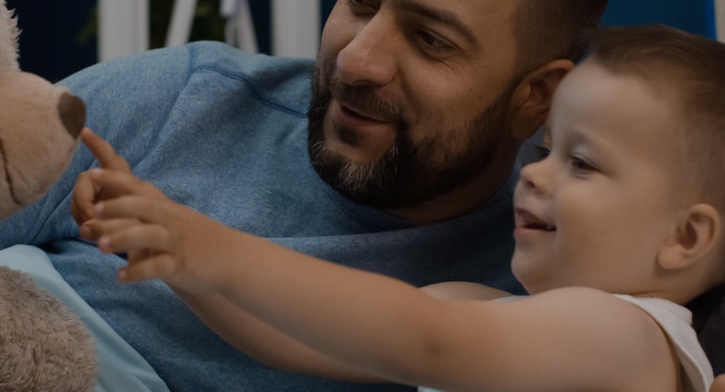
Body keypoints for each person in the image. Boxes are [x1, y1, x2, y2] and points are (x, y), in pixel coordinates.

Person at [0, 0, 619, 389]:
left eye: (431, 39)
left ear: (536, 96)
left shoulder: (549, 268)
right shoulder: (187, 95)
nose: (356, 61)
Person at [78, 24, 725, 391]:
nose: (533, 174)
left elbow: (427, 338)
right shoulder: (489, 311)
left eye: (580, 162)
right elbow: (291, 339)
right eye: (545, 149)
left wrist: (212, 247)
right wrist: (175, 258)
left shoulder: (629, 337)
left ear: (686, 236)